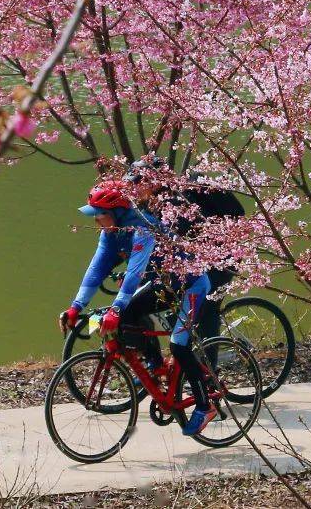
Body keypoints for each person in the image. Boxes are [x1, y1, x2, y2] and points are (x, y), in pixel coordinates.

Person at [58, 180, 216, 436]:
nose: (96, 220)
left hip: (191, 285)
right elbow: (95, 270)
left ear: (117, 213)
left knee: (178, 345)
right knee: (129, 315)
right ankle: (155, 364)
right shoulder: (110, 233)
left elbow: (134, 274)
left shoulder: (143, 229)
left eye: (100, 215)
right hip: (162, 283)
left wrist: (116, 308)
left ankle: (204, 405)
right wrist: (76, 307)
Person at [124, 158, 246, 347]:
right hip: (187, 265)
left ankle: (209, 372)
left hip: (220, 260)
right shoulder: (149, 205)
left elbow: (238, 213)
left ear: (156, 179)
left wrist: (216, 242)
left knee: (206, 309)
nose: (135, 189)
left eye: (139, 182)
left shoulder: (192, 187)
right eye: (133, 183)